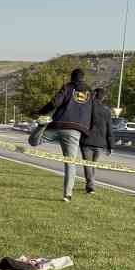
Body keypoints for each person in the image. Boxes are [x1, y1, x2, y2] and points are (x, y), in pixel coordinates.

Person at [28, 68, 94, 201]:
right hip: (75, 131)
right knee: (70, 163)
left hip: (58, 125)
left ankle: (42, 125)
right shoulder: (90, 93)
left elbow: (55, 103)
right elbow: (92, 112)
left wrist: (41, 112)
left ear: (72, 77)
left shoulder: (68, 87)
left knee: (33, 142)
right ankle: (67, 195)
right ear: (83, 78)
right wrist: (87, 130)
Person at [81, 87, 113, 194]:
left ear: (94, 95)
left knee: (88, 164)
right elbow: (109, 129)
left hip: (87, 141)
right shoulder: (107, 110)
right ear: (103, 97)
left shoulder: (88, 107)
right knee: (93, 165)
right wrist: (110, 146)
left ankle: (90, 185)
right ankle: (90, 184)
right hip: (100, 143)